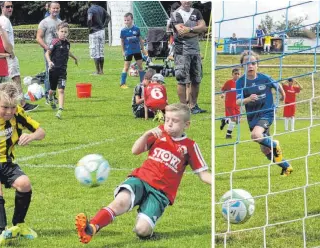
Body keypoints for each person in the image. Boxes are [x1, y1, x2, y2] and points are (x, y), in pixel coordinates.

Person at [75, 103, 211, 244]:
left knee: (142, 230)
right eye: (167, 119)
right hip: (140, 179)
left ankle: (146, 227)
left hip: (160, 194)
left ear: (186, 124)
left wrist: (217, 182)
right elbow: (135, 151)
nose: (169, 124)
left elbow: (203, 174)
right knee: (120, 202)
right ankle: (91, 228)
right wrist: (146, 134)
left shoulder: (190, 146)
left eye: (174, 121)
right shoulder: (158, 133)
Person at [0, 82, 46, 245]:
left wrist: (31, 137)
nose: (9, 112)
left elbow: (41, 132)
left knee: (25, 184)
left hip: (7, 162)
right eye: (5, 107)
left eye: (13, 107)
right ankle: (1, 233)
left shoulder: (18, 114)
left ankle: (19, 224)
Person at [236, 50, 293, 176]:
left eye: (253, 63)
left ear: (257, 65)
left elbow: (277, 85)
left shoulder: (264, 78)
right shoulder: (240, 82)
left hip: (267, 113)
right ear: (242, 66)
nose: (250, 66)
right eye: (246, 63)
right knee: (265, 149)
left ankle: (275, 144)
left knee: (256, 135)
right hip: (253, 117)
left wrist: (283, 95)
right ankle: (286, 167)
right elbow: (238, 101)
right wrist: (248, 99)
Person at [0, 1, 38, 112]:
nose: (10, 8)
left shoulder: (4, 20)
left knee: (10, 79)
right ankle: (22, 105)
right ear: (2, 7)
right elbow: (4, 39)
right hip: (9, 55)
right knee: (15, 79)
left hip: (6, 54)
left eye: (11, 6)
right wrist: (11, 52)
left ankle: (13, 103)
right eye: (7, 7)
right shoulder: (4, 21)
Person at [172, 1, 207, 114]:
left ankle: (193, 105)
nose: (187, 1)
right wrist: (198, 31)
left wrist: (191, 29)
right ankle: (184, 108)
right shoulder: (176, 14)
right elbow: (182, 32)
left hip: (195, 51)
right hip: (182, 51)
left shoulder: (196, 12)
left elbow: (204, 27)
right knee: (182, 79)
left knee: (196, 79)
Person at [44, 22, 78, 119]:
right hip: (53, 70)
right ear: (57, 32)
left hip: (62, 71)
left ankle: (60, 110)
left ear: (68, 33)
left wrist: (74, 58)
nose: (63, 33)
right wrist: (50, 62)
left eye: (65, 32)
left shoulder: (67, 43)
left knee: (61, 90)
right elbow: (47, 53)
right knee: (52, 90)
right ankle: (50, 97)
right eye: (62, 31)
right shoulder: (54, 42)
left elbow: (68, 51)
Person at [36, 1, 61, 103]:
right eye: (53, 8)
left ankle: (53, 95)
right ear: (49, 9)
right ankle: (47, 95)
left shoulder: (60, 22)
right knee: (49, 72)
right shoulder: (44, 22)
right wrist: (47, 48)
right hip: (49, 52)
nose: (55, 10)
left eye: (57, 8)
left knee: (57, 73)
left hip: (59, 52)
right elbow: (38, 38)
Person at [120, 12, 146, 89]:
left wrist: (143, 49)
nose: (126, 22)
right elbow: (122, 41)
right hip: (128, 51)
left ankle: (142, 83)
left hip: (137, 51)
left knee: (140, 66)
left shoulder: (136, 29)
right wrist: (123, 51)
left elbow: (140, 40)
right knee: (126, 67)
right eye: (125, 20)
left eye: (128, 20)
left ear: (132, 20)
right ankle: (122, 84)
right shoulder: (123, 31)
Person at [87, 2, 111, 75]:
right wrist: (104, 25)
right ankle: (102, 71)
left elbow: (89, 19)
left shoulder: (90, 9)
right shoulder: (101, 8)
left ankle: (97, 71)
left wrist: (89, 27)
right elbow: (108, 17)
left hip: (94, 32)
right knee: (101, 52)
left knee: (95, 52)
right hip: (102, 31)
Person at [220, 68, 241, 139]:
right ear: (232, 74)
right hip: (229, 103)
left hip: (237, 104)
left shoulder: (241, 83)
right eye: (235, 74)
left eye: (238, 74)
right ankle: (228, 135)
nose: (237, 75)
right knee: (234, 119)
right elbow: (223, 89)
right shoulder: (229, 82)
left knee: (238, 121)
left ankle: (225, 120)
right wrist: (223, 94)